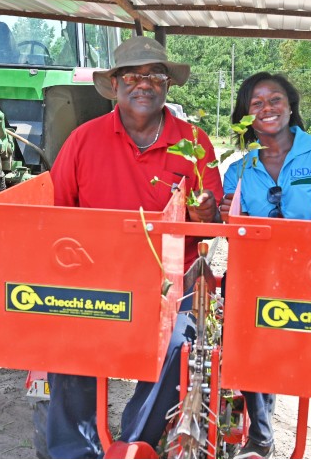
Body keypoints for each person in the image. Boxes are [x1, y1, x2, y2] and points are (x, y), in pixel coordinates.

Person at [48, 36, 223, 458]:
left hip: (172, 280)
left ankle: (132, 443)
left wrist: (205, 216)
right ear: (115, 84)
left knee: (183, 340)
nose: (143, 84)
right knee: (64, 336)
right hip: (97, 278)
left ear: (167, 85)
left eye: (154, 75)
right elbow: (59, 218)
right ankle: (74, 449)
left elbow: (213, 227)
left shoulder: (194, 143)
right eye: (132, 75)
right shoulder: (82, 141)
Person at [219, 72, 311, 459]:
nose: (267, 109)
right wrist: (232, 217)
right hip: (259, 277)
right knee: (238, 316)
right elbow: (237, 234)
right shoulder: (239, 170)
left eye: (275, 99)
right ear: (245, 117)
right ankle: (260, 435)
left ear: (291, 105)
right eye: (256, 103)